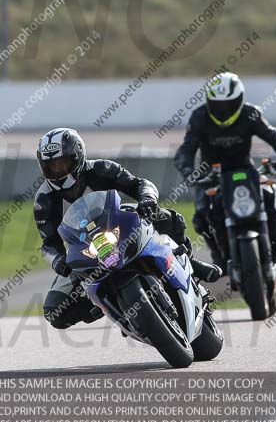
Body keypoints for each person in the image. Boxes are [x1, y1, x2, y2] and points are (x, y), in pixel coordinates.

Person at [35, 127, 222, 330]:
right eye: (51, 165)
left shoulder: (101, 168)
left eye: (62, 163)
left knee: (167, 217)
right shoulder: (44, 200)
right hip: (85, 251)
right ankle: (103, 303)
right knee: (54, 312)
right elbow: (49, 244)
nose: (57, 170)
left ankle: (190, 263)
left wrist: (147, 199)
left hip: (120, 227)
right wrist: (58, 261)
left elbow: (139, 184)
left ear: (77, 156)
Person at [174, 72, 276, 270]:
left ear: (239, 99)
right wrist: (188, 171)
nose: (222, 110)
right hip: (210, 175)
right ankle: (219, 255)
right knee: (202, 214)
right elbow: (186, 149)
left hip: (245, 169)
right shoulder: (200, 116)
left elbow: (274, 135)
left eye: (228, 104)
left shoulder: (250, 113)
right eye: (217, 105)